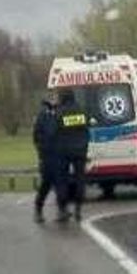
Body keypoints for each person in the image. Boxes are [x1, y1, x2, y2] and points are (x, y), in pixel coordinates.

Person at [53, 89, 90, 222]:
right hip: (80, 151)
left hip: (63, 152)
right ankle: (78, 209)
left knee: (62, 180)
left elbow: (54, 132)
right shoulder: (82, 111)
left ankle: (63, 208)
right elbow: (86, 130)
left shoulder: (59, 113)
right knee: (80, 179)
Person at [31, 96, 59, 223]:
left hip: (59, 154)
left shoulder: (60, 114)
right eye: (52, 99)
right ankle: (38, 209)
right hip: (47, 155)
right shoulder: (42, 117)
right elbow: (36, 137)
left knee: (62, 184)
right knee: (46, 184)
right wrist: (42, 150)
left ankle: (62, 209)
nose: (55, 101)